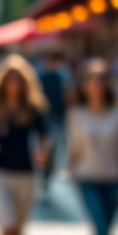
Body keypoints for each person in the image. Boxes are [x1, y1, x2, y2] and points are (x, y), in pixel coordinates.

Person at [0, 54, 49, 235]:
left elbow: (44, 135)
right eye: (10, 80)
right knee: (9, 227)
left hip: (25, 175)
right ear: (2, 82)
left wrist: (43, 152)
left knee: (17, 232)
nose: (14, 85)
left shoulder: (32, 108)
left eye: (18, 80)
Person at [67, 58, 118, 235]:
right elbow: (75, 147)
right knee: (100, 227)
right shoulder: (76, 114)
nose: (96, 83)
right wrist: (71, 172)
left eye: (100, 78)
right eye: (91, 78)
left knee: (106, 228)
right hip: (88, 177)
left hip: (114, 177)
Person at [37, 50, 75, 189]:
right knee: (51, 148)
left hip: (53, 117)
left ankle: (46, 174)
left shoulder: (47, 75)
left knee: (50, 148)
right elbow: (69, 97)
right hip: (51, 117)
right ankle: (46, 174)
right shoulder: (62, 76)